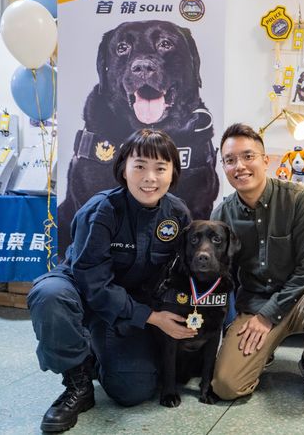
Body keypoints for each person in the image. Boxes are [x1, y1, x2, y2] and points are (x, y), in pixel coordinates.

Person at [27, 129, 193, 432]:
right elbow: (92, 281)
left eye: (160, 168)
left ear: (173, 172)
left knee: (133, 391)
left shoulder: (177, 214)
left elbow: (182, 270)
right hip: (82, 291)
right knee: (49, 295)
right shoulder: (102, 209)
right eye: (139, 166)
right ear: (123, 169)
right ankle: (77, 383)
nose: (150, 178)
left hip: (128, 306)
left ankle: (95, 350)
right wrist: (152, 317)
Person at [211, 123, 304, 402]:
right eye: (230, 160)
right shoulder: (222, 213)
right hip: (255, 304)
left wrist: (268, 317)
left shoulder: (301, 199)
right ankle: (263, 351)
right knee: (226, 386)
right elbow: (222, 276)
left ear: (266, 161)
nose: (239, 166)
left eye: (248, 156)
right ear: (224, 166)